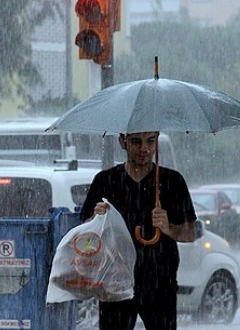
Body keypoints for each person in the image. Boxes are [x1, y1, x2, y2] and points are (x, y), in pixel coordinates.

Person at [80, 131, 197, 330]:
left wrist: (169, 228)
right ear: (122, 142)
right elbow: (84, 238)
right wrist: (95, 219)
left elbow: (191, 232)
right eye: (136, 142)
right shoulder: (106, 181)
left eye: (150, 141)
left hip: (160, 281)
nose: (144, 149)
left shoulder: (172, 181)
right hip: (115, 280)